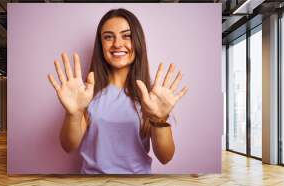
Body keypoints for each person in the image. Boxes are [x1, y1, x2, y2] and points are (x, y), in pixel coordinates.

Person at [47, 8, 188, 174]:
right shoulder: (86, 94)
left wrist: (159, 119)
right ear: (101, 45)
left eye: (126, 35)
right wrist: (74, 113)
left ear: (137, 41)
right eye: (108, 37)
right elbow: (68, 146)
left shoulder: (151, 97)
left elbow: (165, 157)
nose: (117, 44)